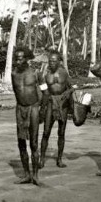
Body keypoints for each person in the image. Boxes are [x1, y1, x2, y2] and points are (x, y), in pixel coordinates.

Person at [11, 47, 43, 185]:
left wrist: (41, 111)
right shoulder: (13, 74)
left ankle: (35, 175)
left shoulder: (36, 73)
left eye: (21, 58)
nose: (18, 61)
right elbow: (16, 92)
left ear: (27, 58)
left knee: (34, 143)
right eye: (16, 58)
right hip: (20, 110)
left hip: (33, 109)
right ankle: (26, 174)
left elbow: (45, 93)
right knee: (21, 143)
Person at [40, 50, 73, 169]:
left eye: (54, 61)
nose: (52, 63)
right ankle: (42, 159)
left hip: (62, 104)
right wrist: (42, 107)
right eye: (50, 61)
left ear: (59, 62)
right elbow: (43, 90)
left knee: (61, 133)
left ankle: (59, 159)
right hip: (50, 103)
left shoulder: (64, 73)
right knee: (46, 132)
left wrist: (68, 92)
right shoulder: (45, 74)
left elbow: (72, 87)